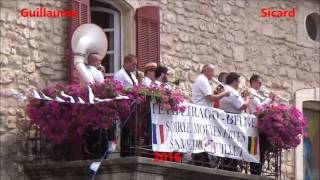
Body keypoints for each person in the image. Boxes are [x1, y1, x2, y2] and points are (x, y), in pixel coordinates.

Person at [219, 72, 250, 172]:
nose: (239, 84)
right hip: (232, 124)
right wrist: (247, 97)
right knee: (232, 145)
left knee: (229, 145)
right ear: (234, 81)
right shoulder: (231, 91)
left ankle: (229, 164)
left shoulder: (227, 89)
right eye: (238, 82)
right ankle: (230, 165)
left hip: (228, 122)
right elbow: (242, 106)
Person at [248, 74, 275, 175]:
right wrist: (269, 99)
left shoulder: (257, 93)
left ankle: (257, 170)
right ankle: (255, 171)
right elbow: (260, 107)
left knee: (262, 149)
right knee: (255, 148)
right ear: (253, 82)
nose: (260, 84)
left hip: (260, 125)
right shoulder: (251, 92)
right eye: (259, 82)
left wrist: (270, 102)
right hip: (255, 125)